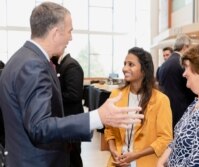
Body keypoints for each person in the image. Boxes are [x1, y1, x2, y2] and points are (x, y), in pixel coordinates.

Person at [0, 2, 143, 167]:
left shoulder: (19, 59)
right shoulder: (34, 65)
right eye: (69, 31)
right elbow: (39, 127)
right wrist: (98, 117)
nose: (71, 38)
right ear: (55, 33)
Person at [104, 47, 173, 167]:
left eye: (131, 64)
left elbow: (165, 138)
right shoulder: (116, 95)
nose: (125, 68)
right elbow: (109, 129)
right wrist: (114, 150)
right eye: (125, 64)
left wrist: (135, 156)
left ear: (144, 70)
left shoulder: (161, 100)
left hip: (145, 162)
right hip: (117, 162)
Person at [158, 34, 196, 129]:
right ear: (185, 47)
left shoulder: (163, 65)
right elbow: (190, 88)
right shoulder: (182, 63)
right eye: (190, 48)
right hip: (181, 110)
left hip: (166, 108)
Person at [53, 52, 85, 167]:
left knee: (74, 156)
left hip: (73, 120)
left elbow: (74, 94)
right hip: (66, 120)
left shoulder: (72, 66)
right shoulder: (62, 64)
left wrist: (52, 96)